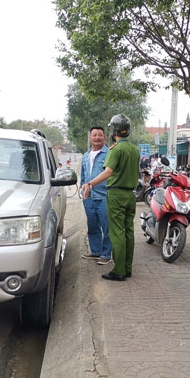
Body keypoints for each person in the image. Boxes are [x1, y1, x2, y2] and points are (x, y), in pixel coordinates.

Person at [81, 114, 140, 281]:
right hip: (130, 195)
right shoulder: (134, 149)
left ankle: (119, 270)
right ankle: (127, 268)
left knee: (116, 233)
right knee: (129, 231)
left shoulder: (116, 149)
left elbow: (108, 172)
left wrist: (90, 183)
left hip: (116, 194)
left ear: (113, 131)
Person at [80, 126, 112, 265]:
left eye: (100, 135)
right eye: (94, 135)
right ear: (90, 138)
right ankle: (96, 251)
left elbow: (111, 174)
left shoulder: (109, 154)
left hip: (104, 196)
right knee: (92, 225)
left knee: (107, 227)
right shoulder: (85, 155)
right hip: (88, 197)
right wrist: (83, 190)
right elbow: (83, 175)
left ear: (104, 137)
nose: (97, 137)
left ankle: (106, 254)